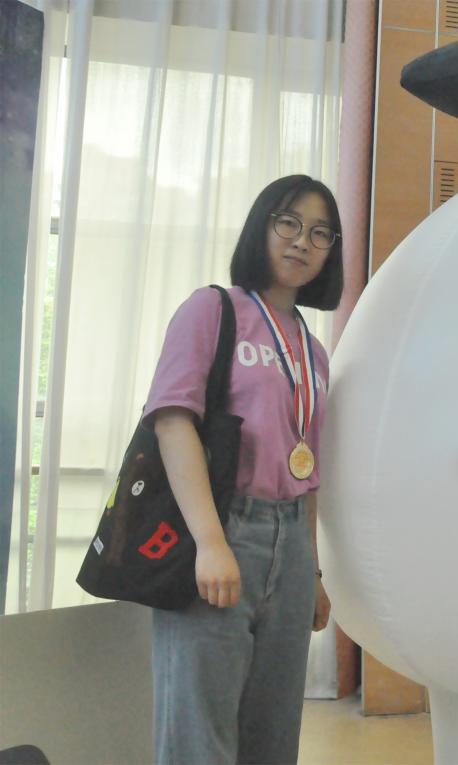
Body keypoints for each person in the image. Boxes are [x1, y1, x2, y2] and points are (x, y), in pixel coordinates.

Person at [144, 175, 344, 764]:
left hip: (292, 542)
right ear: (261, 226)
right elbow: (172, 421)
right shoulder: (213, 310)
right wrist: (211, 543)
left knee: (274, 734)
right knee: (199, 735)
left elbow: (308, 466)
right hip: (223, 527)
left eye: (320, 233)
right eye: (288, 222)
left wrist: (313, 572)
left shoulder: (312, 349)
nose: (302, 241)